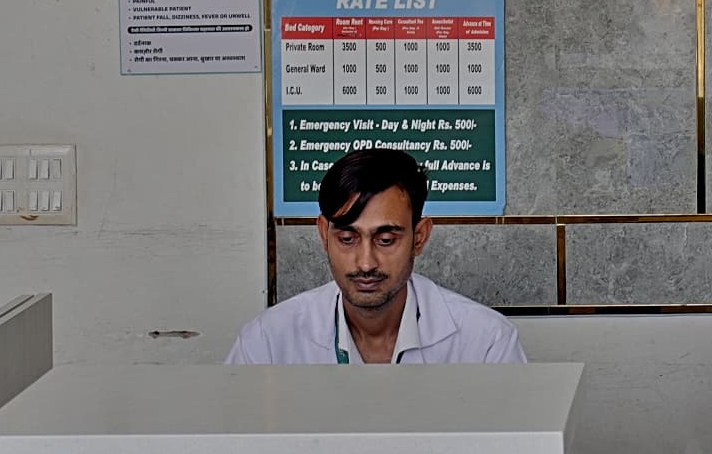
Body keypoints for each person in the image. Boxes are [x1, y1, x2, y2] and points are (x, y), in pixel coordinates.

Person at [226, 147, 527, 365]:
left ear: (419, 237)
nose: (366, 263)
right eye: (347, 238)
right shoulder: (268, 342)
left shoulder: (486, 343)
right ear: (323, 234)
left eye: (385, 239)